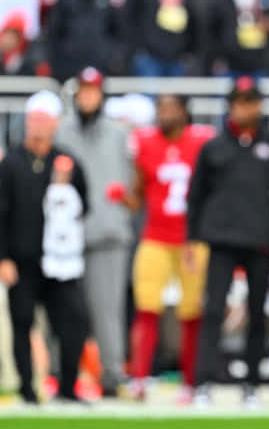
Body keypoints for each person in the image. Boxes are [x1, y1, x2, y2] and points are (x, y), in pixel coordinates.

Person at [187, 76, 269, 407]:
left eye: (249, 101)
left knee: (258, 313)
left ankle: (250, 383)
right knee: (213, 311)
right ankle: (202, 383)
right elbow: (196, 196)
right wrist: (192, 239)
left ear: (259, 105)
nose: (243, 107)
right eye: (238, 101)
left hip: (260, 241)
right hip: (220, 239)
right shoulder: (213, 147)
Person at [107, 94, 214, 402]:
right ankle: (139, 379)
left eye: (170, 108)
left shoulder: (200, 142)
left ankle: (190, 382)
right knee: (146, 308)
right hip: (154, 235)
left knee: (191, 312)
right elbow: (138, 194)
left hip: (191, 240)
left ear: (184, 112)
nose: (164, 114)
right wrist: (123, 198)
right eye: (161, 109)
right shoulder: (145, 143)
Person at [0, 91, 90, 403]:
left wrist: (65, 189)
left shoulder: (67, 163)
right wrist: (3, 257)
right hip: (22, 260)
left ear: (55, 123)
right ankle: (27, 389)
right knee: (22, 323)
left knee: (73, 323)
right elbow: (1, 212)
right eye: (33, 118)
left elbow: (84, 208)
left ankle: (67, 387)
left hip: (60, 262)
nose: (37, 124)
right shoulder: (10, 163)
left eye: (43, 119)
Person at [55, 66, 133, 396]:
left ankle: (112, 374)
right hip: (67, 236)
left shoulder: (118, 133)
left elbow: (132, 180)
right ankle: (63, 373)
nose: (88, 97)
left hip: (109, 232)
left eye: (94, 91)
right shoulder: (62, 132)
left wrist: (122, 212)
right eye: (84, 91)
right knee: (65, 310)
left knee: (107, 310)